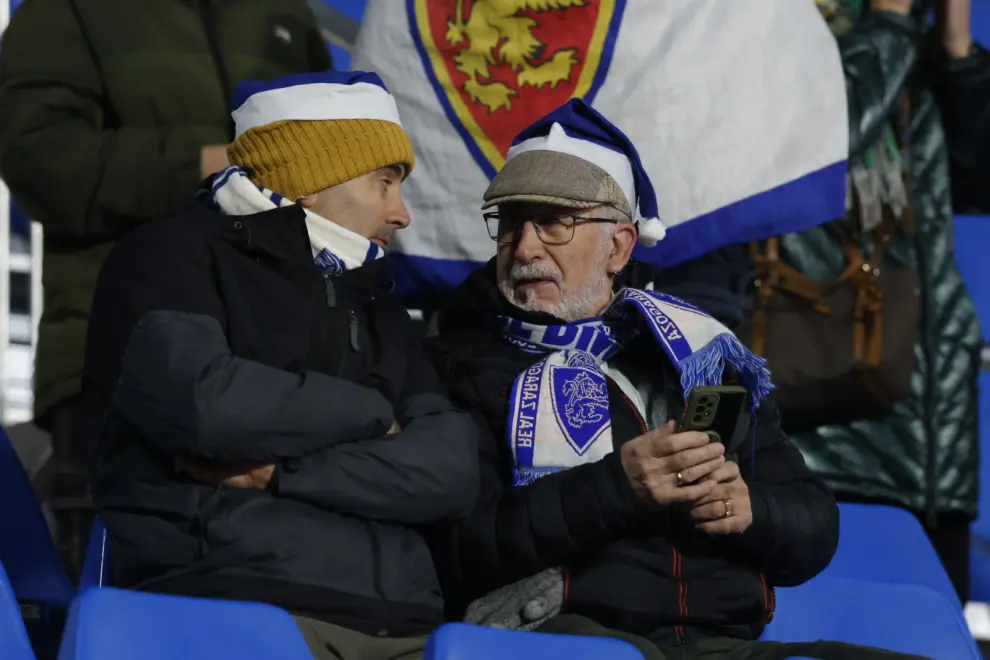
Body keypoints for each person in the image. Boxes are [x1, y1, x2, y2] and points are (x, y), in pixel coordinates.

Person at [425, 99, 927, 660]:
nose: (524, 248)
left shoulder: (697, 353)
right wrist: (620, 487)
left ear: (618, 245)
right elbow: (453, 548)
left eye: (553, 223)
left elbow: (813, 526)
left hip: (716, 644)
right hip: (556, 637)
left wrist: (749, 509)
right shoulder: (455, 363)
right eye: (511, 223)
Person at [79, 71, 478, 660]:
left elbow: (450, 472)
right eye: (384, 182)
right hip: (233, 608)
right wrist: (373, 414)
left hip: (406, 627)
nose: (401, 213)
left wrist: (277, 472)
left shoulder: (381, 305)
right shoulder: (170, 257)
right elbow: (203, 404)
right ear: (311, 181)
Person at [0, 0, 332, 580]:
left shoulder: (285, 9)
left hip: (284, 364)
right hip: (118, 358)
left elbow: (341, 144)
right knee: (136, 601)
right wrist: (202, 166)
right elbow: (37, 156)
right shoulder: (65, 9)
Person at [783, 0, 990, 602]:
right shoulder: (770, 28)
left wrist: (957, 48)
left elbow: (978, 183)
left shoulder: (902, 49)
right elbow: (823, 142)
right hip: (824, 434)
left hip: (929, 438)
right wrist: (892, 22)